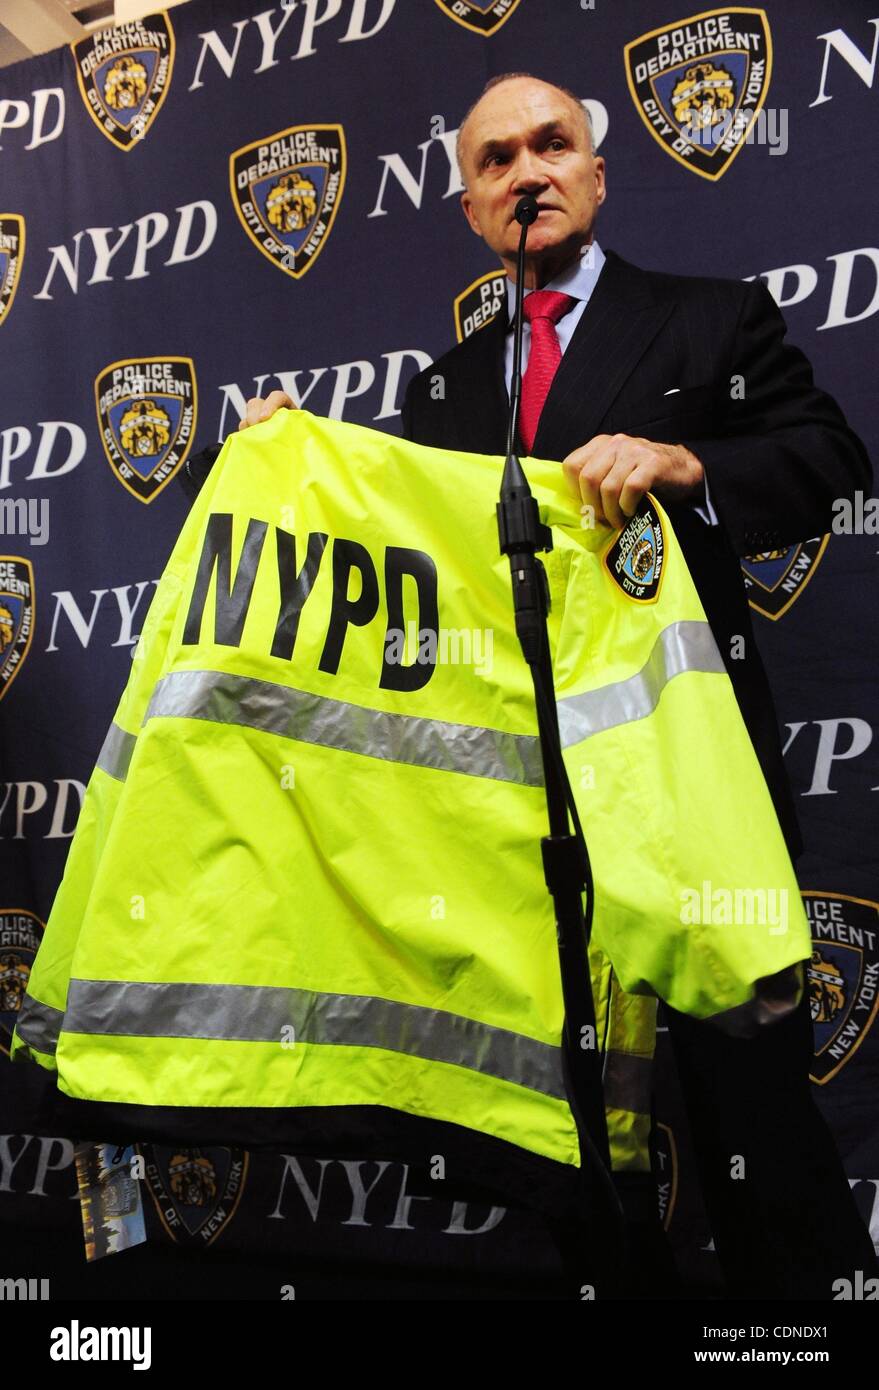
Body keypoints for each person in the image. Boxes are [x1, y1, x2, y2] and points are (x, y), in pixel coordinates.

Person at [180, 73, 876, 1300]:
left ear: (599, 174)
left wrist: (683, 458)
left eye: (553, 145)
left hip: (680, 795)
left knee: (750, 1108)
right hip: (512, 817)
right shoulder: (448, 390)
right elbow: (400, 567)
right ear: (471, 204)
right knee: (564, 1134)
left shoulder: (712, 320)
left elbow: (828, 458)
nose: (528, 172)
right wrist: (292, 461)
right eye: (497, 159)